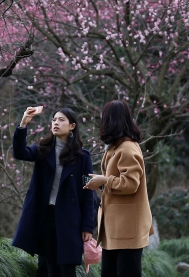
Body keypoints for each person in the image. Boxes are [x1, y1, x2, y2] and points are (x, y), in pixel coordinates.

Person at [12, 106, 97, 277]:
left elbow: (89, 193)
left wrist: (88, 227)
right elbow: (20, 152)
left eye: (61, 120)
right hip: (46, 217)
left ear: (72, 126)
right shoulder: (43, 150)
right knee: (48, 268)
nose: (56, 123)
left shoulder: (83, 157)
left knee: (67, 269)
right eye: (54, 120)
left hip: (70, 219)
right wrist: (23, 124)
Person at [84, 100, 153, 277]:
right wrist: (100, 182)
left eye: (104, 119)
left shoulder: (128, 149)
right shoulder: (115, 148)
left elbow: (130, 184)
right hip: (115, 227)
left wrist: (105, 180)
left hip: (127, 227)